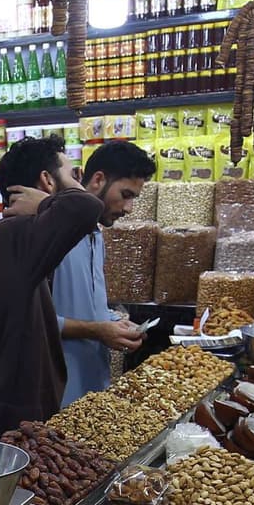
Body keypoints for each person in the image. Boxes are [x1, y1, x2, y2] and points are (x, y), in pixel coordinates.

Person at [0, 136, 113, 438]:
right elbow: (88, 207)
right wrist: (48, 202)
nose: (79, 183)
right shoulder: (14, 233)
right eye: (72, 175)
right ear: (47, 180)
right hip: (14, 420)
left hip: (19, 411)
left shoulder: (18, 233)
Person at [49, 140, 159, 404]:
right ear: (98, 180)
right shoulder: (52, 235)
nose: (129, 208)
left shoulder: (96, 234)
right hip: (58, 390)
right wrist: (98, 330)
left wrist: (113, 322)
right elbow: (31, 320)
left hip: (93, 386)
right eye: (126, 195)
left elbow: (83, 301)